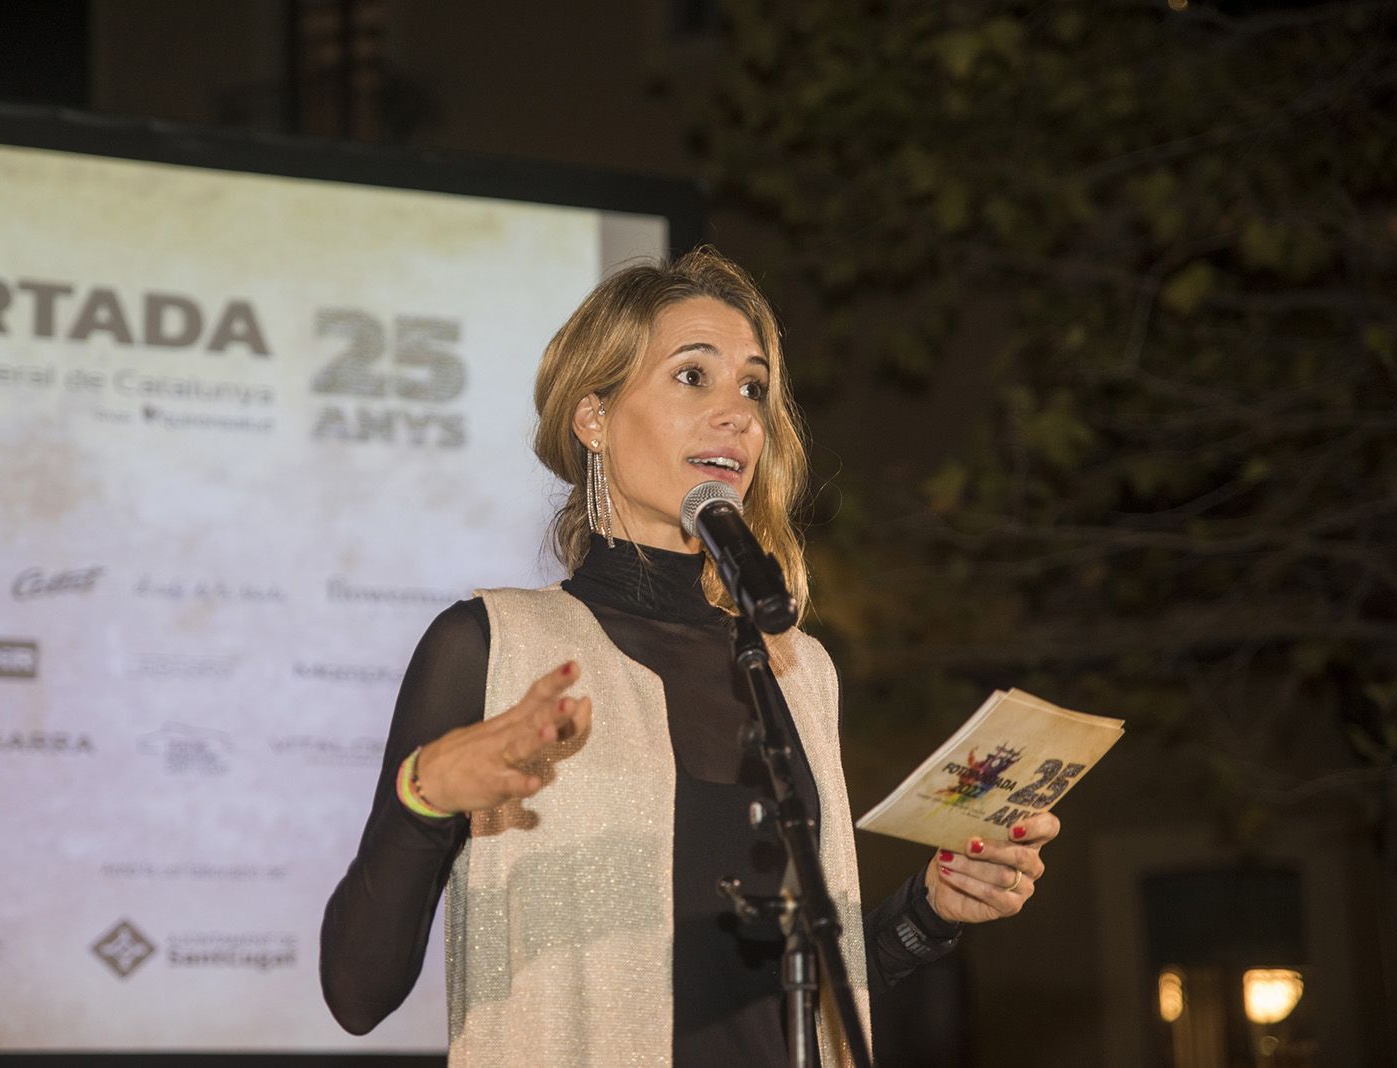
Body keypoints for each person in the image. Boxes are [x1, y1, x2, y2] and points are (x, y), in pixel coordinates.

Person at [320, 247, 1060, 1066]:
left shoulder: (796, 668)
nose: (739, 414)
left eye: (752, 386)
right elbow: (357, 995)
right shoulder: (493, 645)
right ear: (592, 416)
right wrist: (424, 802)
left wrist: (929, 910)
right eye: (691, 376)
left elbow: (790, 1002)